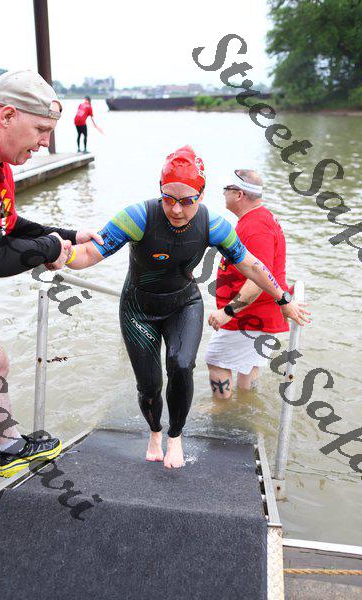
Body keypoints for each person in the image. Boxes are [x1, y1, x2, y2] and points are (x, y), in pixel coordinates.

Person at [60, 146, 309, 469]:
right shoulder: (137, 217)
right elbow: (90, 253)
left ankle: (175, 436)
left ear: (201, 196)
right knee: (149, 385)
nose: (176, 209)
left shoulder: (213, 225)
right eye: (168, 199)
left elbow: (252, 265)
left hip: (184, 304)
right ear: (159, 191)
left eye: (187, 200)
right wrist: (62, 254)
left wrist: (283, 300)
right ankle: (155, 433)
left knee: (181, 364)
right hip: (138, 309)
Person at [0, 70, 102, 478]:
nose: (45, 143)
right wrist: (50, 249)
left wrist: (67, 235)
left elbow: (7, 224)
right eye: (41, 130)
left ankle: (11, 448)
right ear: (7, 116)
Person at [205, 169, 299, 399]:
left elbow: (258, 279)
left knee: (215, 359)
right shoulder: (260, 218)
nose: (223, 194)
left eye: (226, 189)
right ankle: (246, 408)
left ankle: (221, 409)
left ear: (239, 194)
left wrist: (227, 312)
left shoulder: (256, 226)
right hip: (261, 314)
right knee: (247, 370)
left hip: (250, 315)